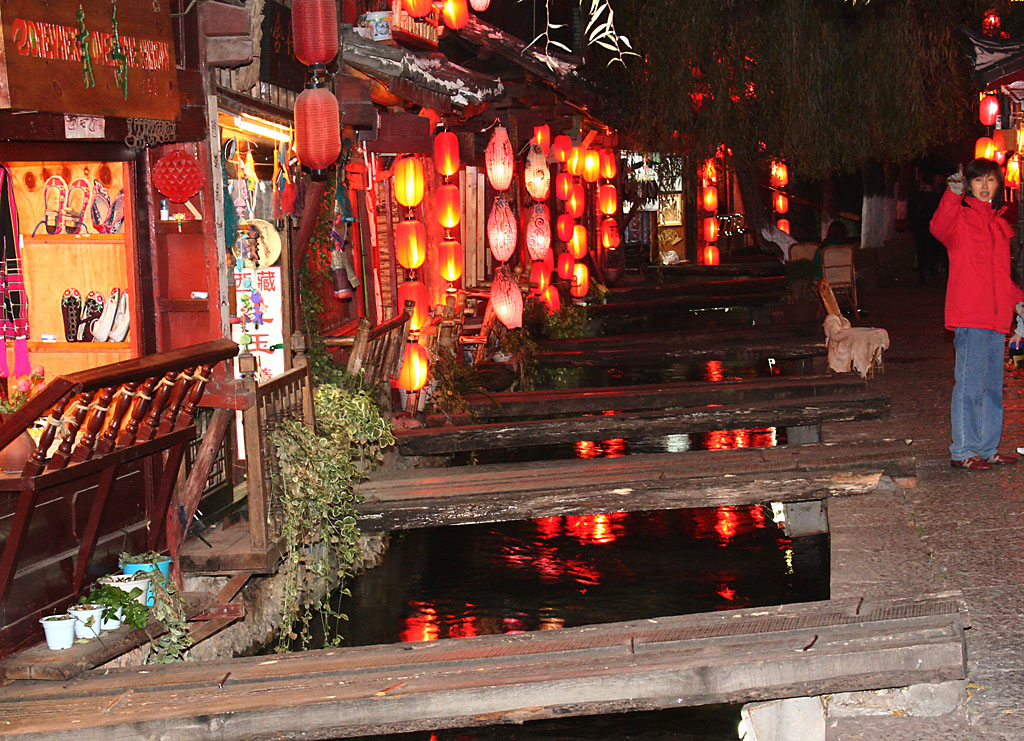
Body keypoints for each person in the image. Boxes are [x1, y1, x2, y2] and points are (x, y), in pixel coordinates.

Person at [930, 158, 1024, 471]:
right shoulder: (959, 217)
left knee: (994, 388)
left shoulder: (998, 223)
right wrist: (951, 194)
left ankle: (987, 447)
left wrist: (1018, 302)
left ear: (998, 186)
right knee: (969, 386)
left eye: (991, 180)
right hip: (971, 314)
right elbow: (938, 226)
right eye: (978, 180)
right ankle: (963, 451)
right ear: (969, 184)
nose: (985, 186)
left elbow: (1000, 274)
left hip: (997, 316)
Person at [908, 171, 945, 285]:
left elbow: (911, 214)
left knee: (921, 252)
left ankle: (923, 274)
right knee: (930, 251)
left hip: (920, 229)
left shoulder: (916, 197)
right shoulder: (936, 198)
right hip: (930, 229)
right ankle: (928, 272)